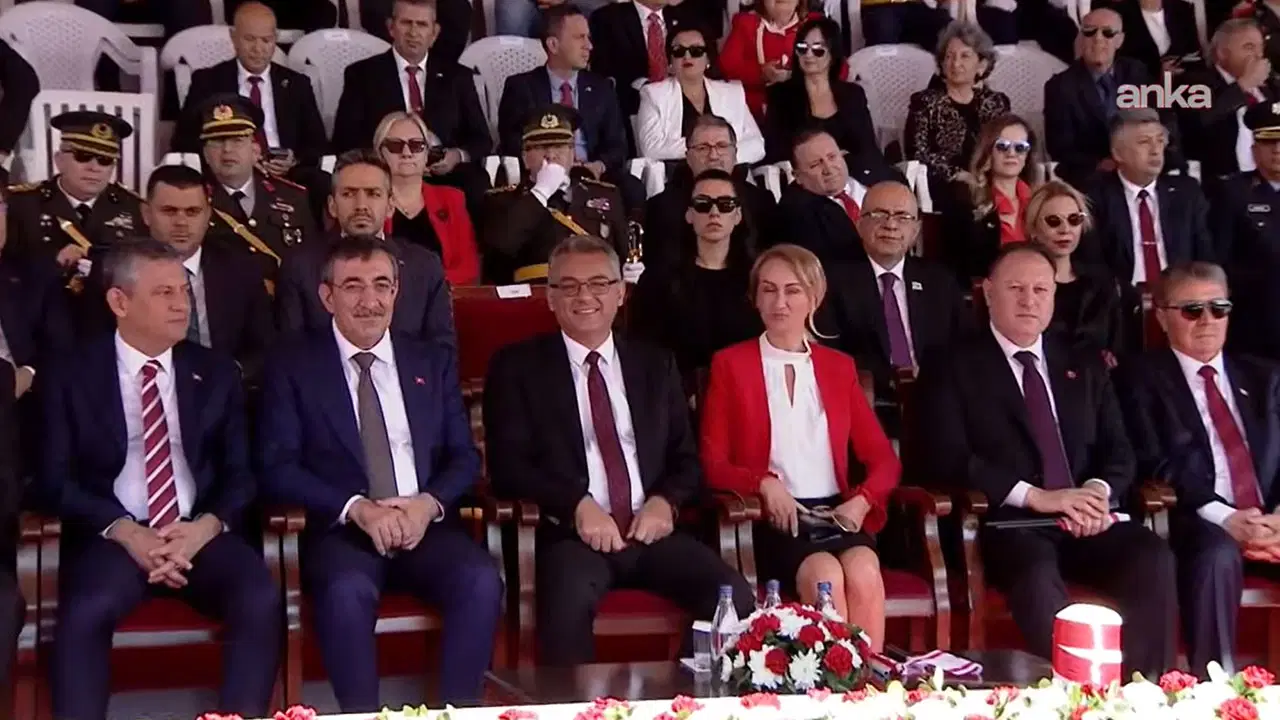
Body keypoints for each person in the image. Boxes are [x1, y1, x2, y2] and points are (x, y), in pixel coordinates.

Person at [483, 234, 756, 665]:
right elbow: (508, 465)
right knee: (565, 606)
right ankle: (577, 703)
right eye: (569, 286)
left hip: (651, 531)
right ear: (550, 297)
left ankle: (680, 693)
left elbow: (687, 459)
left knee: (734, 598)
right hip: (571, 536)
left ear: (620, 292)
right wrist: (576, 505)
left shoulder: (655, 364)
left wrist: (666, 502)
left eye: (598, 284)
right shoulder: (517, 367)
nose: (584, 296)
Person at [40, 239, 282, 720]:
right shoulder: (71, 374)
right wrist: (127, 531)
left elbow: (241, 474)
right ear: (119, 301)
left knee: (258, 596)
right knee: (85, 610)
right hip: (114, 536)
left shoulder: (214, 372)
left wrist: (204, 528)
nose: (180, 304)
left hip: (198, 532)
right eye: (163, 292)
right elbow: (51, 478)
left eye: (183, 291)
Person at [259, 235, 501, 710]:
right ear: (327, 296)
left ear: (396, 292)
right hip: (342, 531)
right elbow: (277, 466)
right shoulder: (293, 365)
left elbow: (463, 457)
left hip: (423, 525)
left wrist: (426, 505)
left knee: (479, 580)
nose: (369, 300)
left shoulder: (430, 361)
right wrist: (358, 509)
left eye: (381, 285)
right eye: (353, 286)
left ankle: (456, 713)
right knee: (345, 592)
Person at [914, 242, 1177, 677]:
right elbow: (945, 456)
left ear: (1054, 295)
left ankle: (1146, 691)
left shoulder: (1083, 361)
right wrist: (1035, 496)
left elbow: (1119, 450)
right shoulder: (951, 364)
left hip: (1087, 519)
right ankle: (1074, 693)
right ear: (988, 293)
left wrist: (1096, 493)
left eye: (1040, 289)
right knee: (1035, 571)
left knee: (1151, 557)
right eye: (1015, 288)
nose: (1028, 300)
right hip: (1011, 524)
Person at [700, 244, 899, 649]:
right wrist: (762, 483)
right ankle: (831, 682)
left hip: (835, 514)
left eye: (792, 290)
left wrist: (862, 500)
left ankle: (873, 683)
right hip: (773, 519)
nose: (780, 302)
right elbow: (712, 462)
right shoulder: (730, 364)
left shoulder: (839, 367)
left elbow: (883, 459)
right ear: (755, 298)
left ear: (814, 298)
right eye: (769, 290)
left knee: (864, 570)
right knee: (826, 576)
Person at [1116, 262, 1280, 675]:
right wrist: (1227, 518)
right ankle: (1214, 685)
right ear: (1162, 316)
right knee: (1216, 553)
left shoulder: (1266, 378)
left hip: (1270, 517)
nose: (1207, 320)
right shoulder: (1138, 379)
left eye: (1218, 308)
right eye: (1192, 310)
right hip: (1197, 517)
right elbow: (1154, 460)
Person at [817, 181, 971, 426]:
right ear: (859, 223)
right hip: (867, 403)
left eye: (902, 217)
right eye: (879, 214)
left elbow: (964, 346)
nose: (890, 225)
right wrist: (893, 378)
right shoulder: (832, 281)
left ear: (916, 229)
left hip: (939, 400)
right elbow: (830, 353)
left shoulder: (940, 281)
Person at [276, 150, 455, 347]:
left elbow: (442, 349)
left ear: (390, 206)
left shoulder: (425, 266)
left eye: (373, 194)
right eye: (349, 194)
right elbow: (291, 351)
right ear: (332, 206)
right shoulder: (299, 266)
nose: (361, 205)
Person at [330, 0, 492, 213]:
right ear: (391, 27)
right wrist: (387, 159)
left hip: (443, 172)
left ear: (434, 33)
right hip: (385, 170)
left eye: (422, 24)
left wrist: (457, 156)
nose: (413, 32)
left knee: (477, 183)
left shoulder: (458, 76)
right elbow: (344, 138)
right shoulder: (362, 74)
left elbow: (481, 139)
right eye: (406, 23)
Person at [629, 169, 762, 396]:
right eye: (703, 204)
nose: (714, 212)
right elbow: (644, 350)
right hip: (677, 396)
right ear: (689, 214)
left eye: (725, 205)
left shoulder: (758, 277)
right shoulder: (658, 279)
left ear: (738, 215)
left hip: (747, 392)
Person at [499, 6, 642, 211]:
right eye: (579, 38)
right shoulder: (521, 86)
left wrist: (598, 166)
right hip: (542, 174)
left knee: (632, 188)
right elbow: (512, 141)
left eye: (588, 38)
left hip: (591, 174)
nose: (589, 46)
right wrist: (551, 162)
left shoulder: (602, 87)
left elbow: (618, 145)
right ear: (553, 45)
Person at [172, 1, 328, 188]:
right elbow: (184, 141)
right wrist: (235, 157)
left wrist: (293, 159)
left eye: (266, 40)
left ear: (275, 39)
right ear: (233, 37)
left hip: (287, 176)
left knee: (321, 183)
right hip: (228, 173)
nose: (258, 49)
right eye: (250, 39)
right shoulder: (208, 81)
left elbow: (317, 144)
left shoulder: (297, 84)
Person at [480, 107, 629, 284]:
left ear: (573, 154)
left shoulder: (605, 194)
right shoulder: (501, 200)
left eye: (559, 146)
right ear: (525, 157)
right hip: (536, 291)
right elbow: (500, 248)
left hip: (593, 290)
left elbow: (622, 253)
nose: (550, 155)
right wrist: (541, 191)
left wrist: (629, 271)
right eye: (540, 147)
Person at [1043, 8, 1182, 189]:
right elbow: (1060, 148)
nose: (1098, 38)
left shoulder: (1137, 72)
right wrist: (1103, 164)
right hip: (1094, 178)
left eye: (1108, 33)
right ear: (1081, 38)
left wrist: (1158, 148)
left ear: (1120, 40)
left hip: (1144, 168)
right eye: (1090, 32)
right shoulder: (1060, 87)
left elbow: (1165, 117)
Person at [1081, 109, 1215, 291]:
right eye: (1144, 142)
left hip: (1177, 295)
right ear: (1118, 154)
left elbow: (1205, 257)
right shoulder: (1095, 197)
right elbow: (1092, 263)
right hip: (1121, 297)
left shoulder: (1186, 192)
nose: (1155, 151)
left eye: (1160, 141)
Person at [196, 93, 318, 282]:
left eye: (237, 140)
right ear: (205, 154)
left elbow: (310, 265)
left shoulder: (293, 197)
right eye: (218, 141)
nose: (227, 149)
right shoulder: (195, 200)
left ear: (255, 150)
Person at [6, 112, 144, 275]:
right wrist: (53, 263)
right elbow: (8, 269)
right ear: (59, 160)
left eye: (105, 160)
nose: (94, 168)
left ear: (113, 167)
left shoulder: (132, 207)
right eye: (82, 157)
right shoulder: (22, 204)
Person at [643, 115, 779, 270]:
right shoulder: (662, 207)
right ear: (688, 157)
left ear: (735, 154)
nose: (713, 156)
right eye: (703, 148)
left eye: (721, 146)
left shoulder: (761, 202)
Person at [1025, 181, 1126, 364]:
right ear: (1034, 230)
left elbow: (1116, 349)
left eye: (1074, 220)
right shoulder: (1024, 287)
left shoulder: (1102, 283)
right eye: (1053, 221)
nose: (1065, 230)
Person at [374, 111, 480, 286]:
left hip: (443, 295)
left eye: (416, 145)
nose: (407, 153)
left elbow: (468, 267)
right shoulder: (370, 201)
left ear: (427, 155)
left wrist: (428, 286)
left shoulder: (452, 199)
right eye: (395, 146)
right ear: (380, 154)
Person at [905, 22, 1011, 195]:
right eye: (949, 56)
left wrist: (986, 173)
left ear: (982, 65)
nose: (955, 63)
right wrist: (958, 175)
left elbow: (1007, 144)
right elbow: (918, 154)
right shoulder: (924, 103)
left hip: (990, 180)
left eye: (965, 56)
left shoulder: (996, 102)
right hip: (947, 185)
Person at [637, 26, 766, 164]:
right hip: (680, 172)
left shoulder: (733, 93)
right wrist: (708, 148)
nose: (687, 57)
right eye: (679, 51)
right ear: (670, 61)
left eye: (696, 51)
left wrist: (721, 158)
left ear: (708, 59)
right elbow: (650, 148)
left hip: (729, 170)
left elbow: (757, 145)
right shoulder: (653, 95)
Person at [776, 129, 904, 268]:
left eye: (832, 157)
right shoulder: (797, 211)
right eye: (815, 164)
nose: (828, 169)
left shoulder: (875, 175)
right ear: (798, 176)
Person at [1181, 18, 1280, 194]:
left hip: (1267, 186)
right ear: (1222, 53)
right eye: (1249, 47)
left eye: (1261, 47)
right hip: (1219, 186)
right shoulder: (1194, 83)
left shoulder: (1271, 87)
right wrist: (1243, 85)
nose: (1259, 55)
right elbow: (1199, 122)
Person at [763, 17, 879, 163]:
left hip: (851, 170)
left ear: (832, 54)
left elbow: (868, 148)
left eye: (817, 50)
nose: (808, 55)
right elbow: (775, 152)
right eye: (802, 48)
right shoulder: (780, 95)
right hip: (803, 172)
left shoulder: (853, 94)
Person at [1216, 100, 1280, 361]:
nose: (1277, 149)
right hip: (1257, 325)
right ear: (1254, 149)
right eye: (1269, 141)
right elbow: (1220, 261)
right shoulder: (1233, 193)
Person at [948, 115, 1039, 283]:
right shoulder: (965, 201)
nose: (1011, 153)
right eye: (1002, 146)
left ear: (1028, 155)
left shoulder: (1040, 201)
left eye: (1020, 147)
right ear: (988, 151)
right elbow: (958, 266)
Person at [587, 0, 702, 119]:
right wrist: (649, 89)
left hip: (681, 109)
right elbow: (604, 73)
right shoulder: (608, 17)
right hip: (630, 109)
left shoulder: (685, 17)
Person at [720, 0, 825, 121]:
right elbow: (726, 66)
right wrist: (761, 73)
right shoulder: (746, 23)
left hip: (807, 112)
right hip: (754, 117)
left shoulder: (815, 25)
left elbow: (837, 67)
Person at [1105, 0, 1202, 78]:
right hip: (1137, 89)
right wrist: (1158, 73)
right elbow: (1115, 63)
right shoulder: (1117, 13)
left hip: (1184, 86)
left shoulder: (1183, 8)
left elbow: (1195, 56)